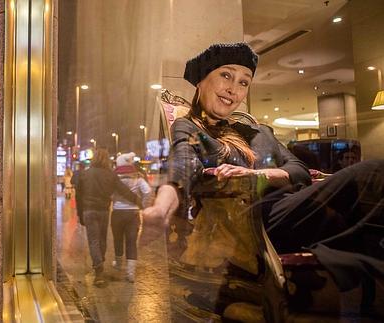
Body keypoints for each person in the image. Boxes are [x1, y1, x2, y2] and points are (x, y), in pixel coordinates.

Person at [144, 43, 384, 305]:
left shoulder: (261, 132)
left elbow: (299, 170)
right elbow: (182, 163)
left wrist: (263, 175)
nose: (233, 89)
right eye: (226, 75)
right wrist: (161, 207)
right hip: (257, 218)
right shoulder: (189, 127)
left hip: (298, 204)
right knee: (373, 172)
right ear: (201, 79)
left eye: (244, 82)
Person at [75, 148, 143, 287]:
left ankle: (98, 269)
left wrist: (80, 213)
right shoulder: (110, 175)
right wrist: (137, 200)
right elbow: (123, 190)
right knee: (101, 240)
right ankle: (100, 263)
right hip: (103, 212)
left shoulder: (85, 174)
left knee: (93, 240)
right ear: (106, 160)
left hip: (89, 211)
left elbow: (78, 196)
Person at [111, 152, 152, 282]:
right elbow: (148, 192)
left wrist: (114, 199)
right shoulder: (138, 179)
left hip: (117, 212)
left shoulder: (114, 179)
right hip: (133, 214)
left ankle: (118, 264)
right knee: (131, 242)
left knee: (118, 239)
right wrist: (142, 206)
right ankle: (130, 273)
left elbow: (109, 194)